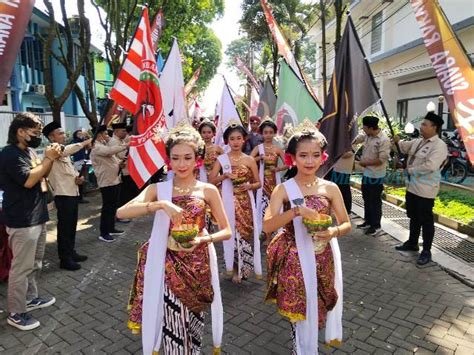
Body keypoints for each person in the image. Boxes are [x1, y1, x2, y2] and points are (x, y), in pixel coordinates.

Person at [117, 125, 231, 354]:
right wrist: (159, 204)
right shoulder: (159, 189)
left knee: (194, 323)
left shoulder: (208, 190)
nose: (181, 164)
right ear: (168, 159)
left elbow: (226, 230)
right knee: (172, 323)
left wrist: (204, 239)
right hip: (165, 262)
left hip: (198, 264)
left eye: (187, 157)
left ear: (197, 158)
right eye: (175, 158)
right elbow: (121, 212)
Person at [262, 122, 351, 354]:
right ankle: (300, 350)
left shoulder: (330, 188)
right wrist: (295, 211)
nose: (309, 161)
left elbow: (346, 224)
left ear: (323, 157)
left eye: (315, 155)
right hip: (293, 259)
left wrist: (333, 232)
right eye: (303, 155)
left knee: (317, 308)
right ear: (292, 158)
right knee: (299, 314)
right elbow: (267, 225)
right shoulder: (283, 190)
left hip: (323, 257)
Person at [0, 112, 61, 330]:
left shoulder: (30, 151)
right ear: (20, 131)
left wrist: (49, 159)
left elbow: (42, 174)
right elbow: (28, 180)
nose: (37, 136)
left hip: (37, 215)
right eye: (34, 132)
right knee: (21, 268)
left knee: (35, 263)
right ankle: (16, 312)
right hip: (22, 220)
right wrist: (48, 158)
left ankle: (30, 297)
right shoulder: (9, 154)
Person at [209, 122, 261, 284]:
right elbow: (211, 180)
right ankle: (232, 267)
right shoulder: (222, 159)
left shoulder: (249, 160)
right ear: (227, 141)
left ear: (244, 139)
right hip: (227, 201)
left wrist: (249, 186)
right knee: (231, 233)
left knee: (244, 234)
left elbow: (258, 183)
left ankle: (243, 269)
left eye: (239, 138)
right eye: (232, 139)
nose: (236, 142)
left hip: (245, 202)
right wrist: (224, 177)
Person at [394, 112, 448, 265]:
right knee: (413, 216)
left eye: (425, 124)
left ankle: (426, 251)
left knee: (425, 220)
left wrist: (409, 170)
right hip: (412, 187)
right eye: (422, 124)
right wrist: (396, 141)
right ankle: (412, 243)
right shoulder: (418, 142)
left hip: (426, 189)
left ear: (434, 128)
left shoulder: (439, 146)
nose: (421, 127)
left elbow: (430, 166)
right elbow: (403, 147)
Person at [42, 122, 92, 271]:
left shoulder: (63, 151)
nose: (64, 135)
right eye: (60, 133)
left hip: (72, 191)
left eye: (64, 133)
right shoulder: (51, 149)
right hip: (63, 195)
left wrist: (77, 178)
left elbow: (67, 171)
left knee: (71, 226)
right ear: (51, 137)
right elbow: (66, 151)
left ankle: (71, 252)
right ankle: (65, 259)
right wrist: (84, 143)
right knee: (64, 228)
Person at [90, 125, 128, 242]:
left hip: (114, 179)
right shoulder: (96, 147)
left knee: (113, 206)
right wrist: (126, 145)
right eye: (105, 134)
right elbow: (109, 152)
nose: (107, 136)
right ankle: (104, 232)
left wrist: (120, 164)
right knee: (107, 207)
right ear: (99, 135)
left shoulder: (103, 145)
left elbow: (113, 159)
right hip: (106, 181)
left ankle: (111, 228)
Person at [354, 115, 391, 236]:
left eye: (364, 127)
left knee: (375, 201)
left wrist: (364, 163)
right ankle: (368, 222)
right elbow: (358, 138)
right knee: (366, 198)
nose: (363, 129)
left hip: (376, 175)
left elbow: (381, 160)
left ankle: (376, 226)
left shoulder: (383, 140)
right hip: (367, 173)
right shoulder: (368, 136)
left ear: (370, 128)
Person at [250, 119, 286, 239]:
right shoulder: (258, 148)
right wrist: (259, 158)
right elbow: (247, 161)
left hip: (275, 182)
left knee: (275, 207)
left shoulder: (277, 149)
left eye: (271, 132)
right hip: (262, 183)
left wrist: (278, 169)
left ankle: (275, 233)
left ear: (274, 133)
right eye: (266, 132)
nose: (268, 135)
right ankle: (264, 233)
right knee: (263, 207)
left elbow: (289, 163)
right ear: (262, 134)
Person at [109, 122, 138, 219]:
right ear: (116, 131)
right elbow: (120, 156)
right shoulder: (114, 142)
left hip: (125, 172)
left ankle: (125, 213)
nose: (125, 133)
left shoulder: (120, 140)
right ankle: (121, 215)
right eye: (123, 131)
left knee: (126, 194)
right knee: (123, 195)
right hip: (120, 172)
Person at [330, 149, 355, 214]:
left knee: (344, 189)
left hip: (344, 170)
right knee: (338, 189)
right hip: (337, 169)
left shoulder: (350, 143)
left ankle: (347, 209)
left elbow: (348, 154)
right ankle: (338, 208)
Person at [71, 129, 91, 203]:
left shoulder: (83, 141)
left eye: (81, 133)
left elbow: (90, 146)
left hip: (84, 161)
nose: (81, 135)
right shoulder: (75, 142)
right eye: (79, 134)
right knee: (79, 179)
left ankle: (82, 195)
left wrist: (86, 136)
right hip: (78, 162)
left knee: (84, 179)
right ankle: (79, 197)